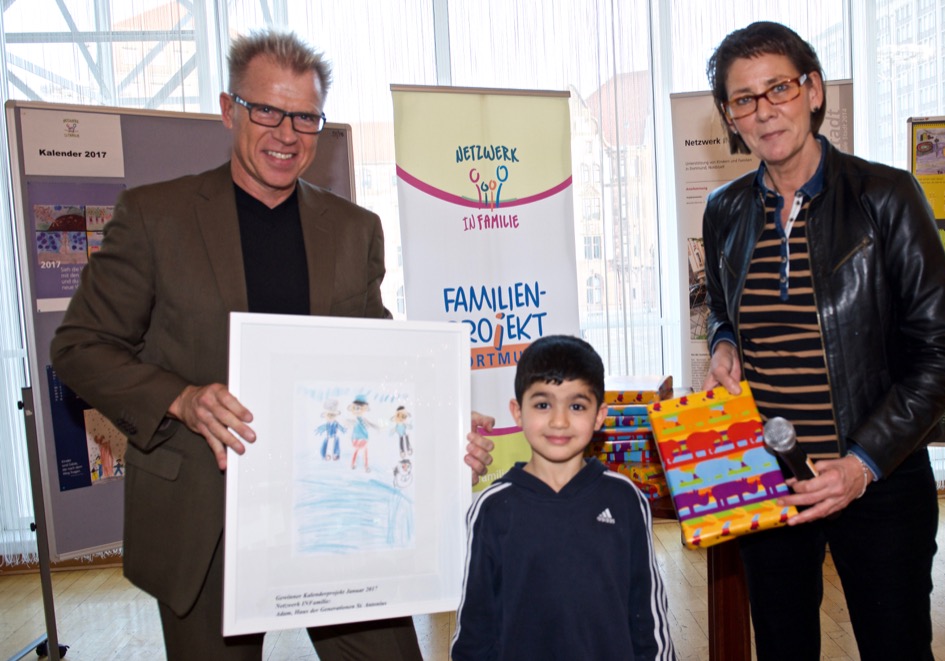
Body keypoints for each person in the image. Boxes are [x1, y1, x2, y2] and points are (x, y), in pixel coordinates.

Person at [50, 29, 494, 660]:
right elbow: (79, 347)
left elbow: (377, 365)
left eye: (306, 117)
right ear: (229, 110)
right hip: (206, 514)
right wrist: (181, 399)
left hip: (337, 508)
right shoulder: (155, 218)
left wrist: (440, 426)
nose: (287, 134)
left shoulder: (353, 230)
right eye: (267, 111)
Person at [701, 21, 945, 661]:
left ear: (813, 91)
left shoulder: (887, 196)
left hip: (880, 480)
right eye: (744, 99)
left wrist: (860, 464)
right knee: (783, 648)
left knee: (896, 647)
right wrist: (723, 341)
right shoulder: (725, 209)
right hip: (768, 478)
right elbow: (722, 309)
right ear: (731, 118)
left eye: (780, 88)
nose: (765, 111)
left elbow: (942, 354)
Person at [450, 335, 675, 661]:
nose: (559, 421)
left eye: (577, 406)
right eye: (543, 404)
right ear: (517, 411)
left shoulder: (626, 500)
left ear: (599, 415)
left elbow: (648, 621)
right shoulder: (492, 509)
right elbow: (475, 630)